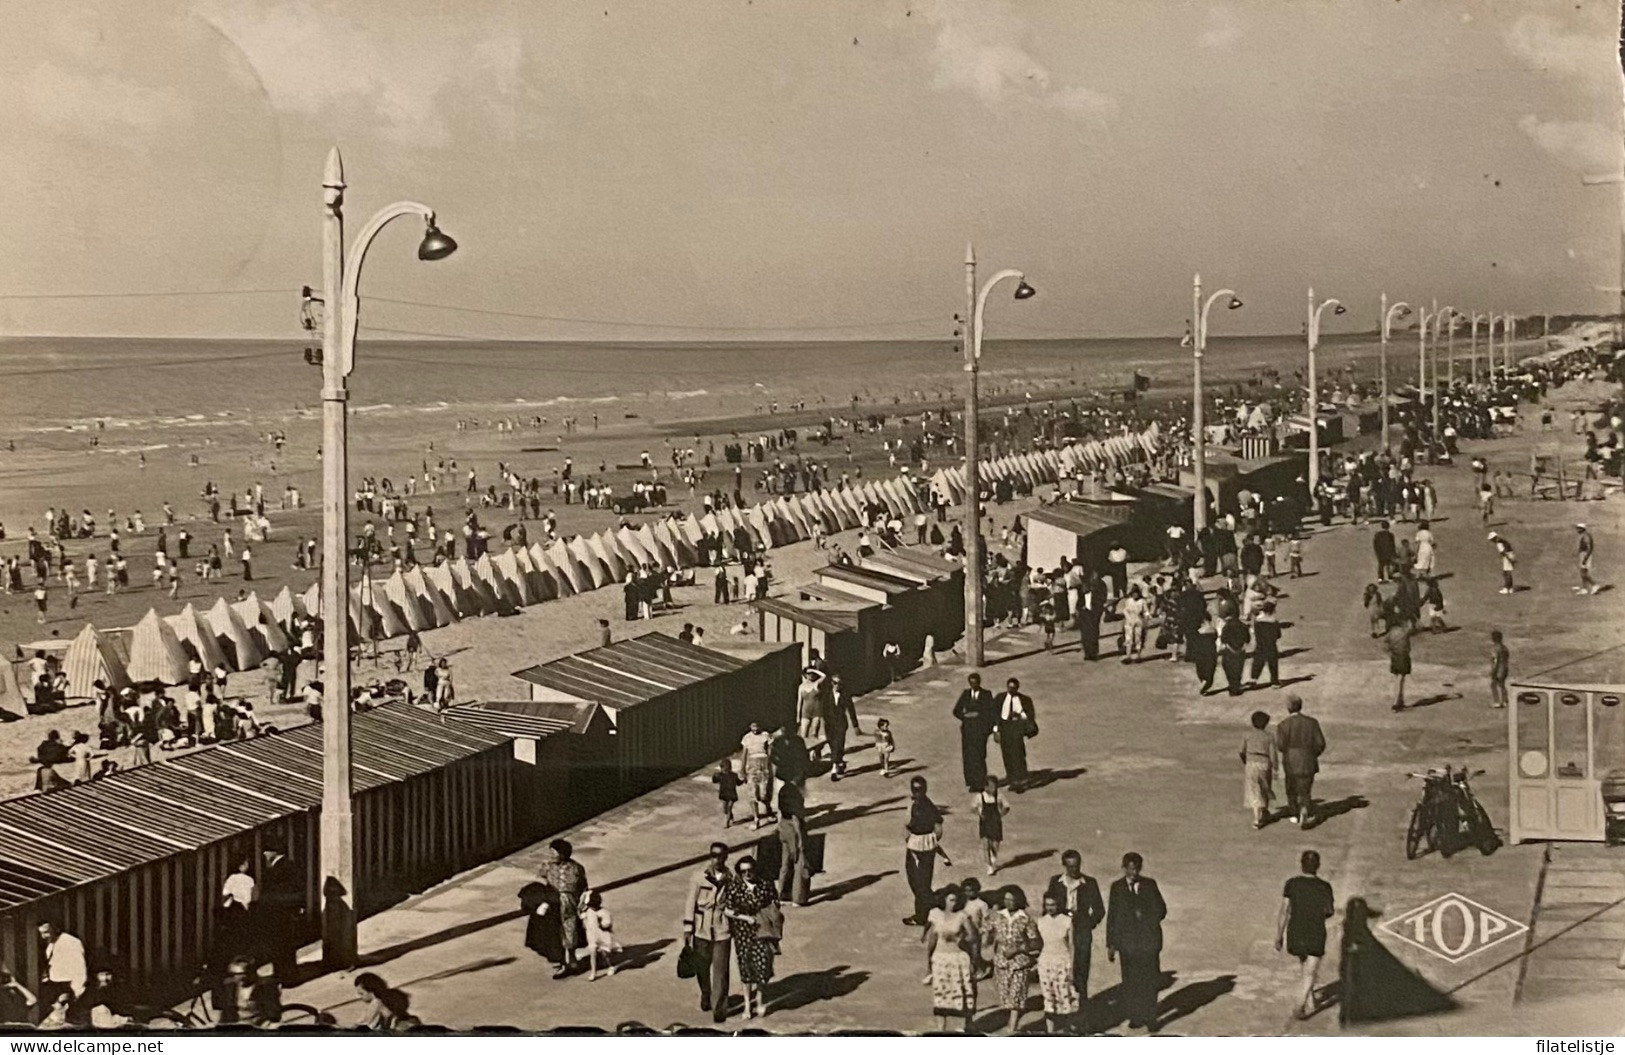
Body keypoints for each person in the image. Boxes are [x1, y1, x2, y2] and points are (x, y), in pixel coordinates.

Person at [1106, 852, 1166, 1033]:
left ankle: (1150, 1016)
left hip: (1148, 943)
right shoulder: (1116, 888)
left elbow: (1161, 910)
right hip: (1127, 945)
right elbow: (1112, 916)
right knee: (1130, 982)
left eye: (1137, 868)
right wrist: (1111, 944)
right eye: (1130, 869)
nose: (1133, 872)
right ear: (1124, 868)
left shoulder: (1149, 885)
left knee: (1149, 980)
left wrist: (1146, 917)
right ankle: (1135, 1015)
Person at [1045, 850, 1105, 1031]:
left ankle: (1081, 1018)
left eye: (1076, 865)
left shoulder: (1090, 883)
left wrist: (1087, 925)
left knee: (1080, 975)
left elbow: (1099, 910)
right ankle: (1061, 1016)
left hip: (1081, 934)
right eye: (1070, 866)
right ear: (1064, 866)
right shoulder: (1056, 882)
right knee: (1060, 974)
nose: (1074, 869)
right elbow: (1047, 906)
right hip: (1060, 934)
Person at [1277, 850, 1335, 1020]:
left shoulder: (1291, 884)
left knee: (1304, 966)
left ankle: (1311, 1001)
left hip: (1295, 931)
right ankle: (1299, 1006)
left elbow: (1284, 912)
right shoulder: (1325, 887)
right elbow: (1329, 911)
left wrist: (1279, 935)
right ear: (1318, 866)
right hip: (1315, 932)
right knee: (1310, 972)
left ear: (1301, 865)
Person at [720, 856, 779, 1020]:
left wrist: (769, 915)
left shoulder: (765, 885)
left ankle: (760, 1001)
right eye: (743, 871)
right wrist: (746, 918)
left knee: (762, 966)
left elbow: (775, 900)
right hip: (743, 933)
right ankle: (747, 1005)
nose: (747, 874)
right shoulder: (734, 888)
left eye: (750, 870)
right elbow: (727, 910)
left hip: (762, 930)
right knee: (746, 968)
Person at [681, 842, 734, 1023]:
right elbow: (690, 902)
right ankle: (706, 993)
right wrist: (688, 927)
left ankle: (719, 1010)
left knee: (721, 972)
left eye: (720, 855)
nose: (716, 859)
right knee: (702, 968)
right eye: (713, 855)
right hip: (701, 929)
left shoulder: (731, 878)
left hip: (722, 929)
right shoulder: (699, 877)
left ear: (725, 857)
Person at [981, 885, 1040, 1034]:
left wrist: (1019, 948)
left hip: (1020, 961)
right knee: (1005, 994)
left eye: (1012, 900)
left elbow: (1035, 941)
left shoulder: (1026, 919)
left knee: (1016, 995)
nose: (1009, 902)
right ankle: (1011, 1020)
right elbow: (984, 930)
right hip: (1001, 960)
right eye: (1006, 899)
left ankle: (1012, 1026)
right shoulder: (997, 916)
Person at [925, 885, 979, 1032]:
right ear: (944, 899)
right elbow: (931, 939)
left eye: (956, 900)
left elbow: (974, 936)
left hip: (958, 959)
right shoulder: (935, 914)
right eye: (950, 900)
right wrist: (929, 961)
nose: (953, 903)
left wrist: (961, 940)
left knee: (962, 991)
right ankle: (941, 1029)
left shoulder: (962, 915)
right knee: (941, 993)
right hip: (940, 958)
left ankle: (965, 1026)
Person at [903, 776, 951, 926]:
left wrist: (928, 840)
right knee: (916, 879)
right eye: (915, 790)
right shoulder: (913, 804)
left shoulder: (928, 806)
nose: (917, 793)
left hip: (923, 845)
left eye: (919, 790)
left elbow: (938, 828)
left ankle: (922, 914)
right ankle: (928, 904)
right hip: (915, 843)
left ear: (924, 790)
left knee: (920, 881)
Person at [1275, 695, 1326, 826]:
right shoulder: (1312, 722)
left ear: (1288, 708)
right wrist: (1312, 754)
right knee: (1305, 788)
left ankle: (1293, 812)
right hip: (1308, 760)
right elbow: (1320, 743)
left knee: (1291, 788)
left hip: (1291, 761)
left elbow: (1280, 746)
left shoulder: (1283, 725)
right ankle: (1304, 809)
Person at [541, 840, 588, 977]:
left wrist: (583, 905)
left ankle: (572, 959)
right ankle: (562, 962)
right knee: (555, 933)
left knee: (570, 930)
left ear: (562, 854)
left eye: (554, 852)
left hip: (570, 904)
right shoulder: (547, 866)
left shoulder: (576, 868)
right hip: (553, 903)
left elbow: (583, 887)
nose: (551, 855)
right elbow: (542, 882)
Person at [1035, 892, 1079, 1034]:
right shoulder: (1041, 921)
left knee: (1064, 995)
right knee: (1049, 996)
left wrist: (1071, 967)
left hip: (1063, 962)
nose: (1050, 908)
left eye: (1053, 905)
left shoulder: (1067, 921)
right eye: (1047, 905)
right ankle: (1050, 1032)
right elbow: (1038, 944)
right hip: (1045, 963)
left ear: (1059, 905)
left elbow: (1072, 945)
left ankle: (1067, 1030)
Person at [952, 673, 996, 793]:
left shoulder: (986, 694)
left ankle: (981, 781)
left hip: (980, 731)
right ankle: (971, 782)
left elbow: (991, 712)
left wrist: (987, 727)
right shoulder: (966, 694)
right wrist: (965, 716)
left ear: (979, 682)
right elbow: (956, 710)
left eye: (975, 682)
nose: (973, 685)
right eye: (971, 683)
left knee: (980, 756)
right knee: (968, 756)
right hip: (968, 730)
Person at [994, 677, 1036, 792]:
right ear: (1007, 687)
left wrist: (1019, 716)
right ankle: (1012, 778)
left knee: (1018, 754)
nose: (1011, 690)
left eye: (1014, 688)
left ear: (1017, 688)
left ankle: (1021, 779)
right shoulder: (1000, 698)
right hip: (1005, 728)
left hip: (1017, 728)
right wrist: (996, 730)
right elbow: (994, 715)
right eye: (1010, 687)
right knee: (1007, 754)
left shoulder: (1025, 700)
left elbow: (1030, 716)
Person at [37, 921, 86, 1017]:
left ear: (56, 928)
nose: (43, 936)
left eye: (46, 932)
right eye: (41, 933)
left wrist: (76, 992)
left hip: (67, 987)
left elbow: (80, 969)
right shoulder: (51, 943)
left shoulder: (71, 942)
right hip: (54, 986)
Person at [1241, 710, 1278, 830]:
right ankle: (1264, 811)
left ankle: (1257, 818)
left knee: (1253, 790)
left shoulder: (1247, 735)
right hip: (1264, 763)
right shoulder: (1269, 736)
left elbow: (1241, 751)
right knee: (1265, 787)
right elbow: (1273, 754)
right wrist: (1275, 768)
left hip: (1251, 763)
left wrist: (1246, 761)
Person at [775, 783, 810, 907]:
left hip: (783, 827)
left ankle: (782, 894)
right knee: (798, 863)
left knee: (785, 864)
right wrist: (800, 840)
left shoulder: (783, 791)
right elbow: (796, 821)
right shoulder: (794, 794)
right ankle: (798, 897)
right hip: (793, 831)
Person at [738, 721, 775, 829]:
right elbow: (744, 755)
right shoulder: (747, 738)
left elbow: (770, 752)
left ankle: (768, 809)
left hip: (764, 767)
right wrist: (742, 770)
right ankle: (756, 818)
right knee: (752, 794)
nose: (755, 728)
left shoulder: (765, 735)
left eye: (757, 726)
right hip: (752, 768)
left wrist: (770, 767)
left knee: (764, 794)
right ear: (750, 726)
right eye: (753, 726)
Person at [825, 674, 861, 780]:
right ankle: (839, 762)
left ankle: (834, 768)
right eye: (835, 683)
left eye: (839, 683)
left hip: (841, 723)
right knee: (832, 745)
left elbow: (851, 710)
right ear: (831, 683)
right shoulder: (826, 694)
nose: (837, 685)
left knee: (839, 744)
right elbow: (823, 709)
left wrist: (855, 726)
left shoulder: (845, 695)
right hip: (829, 724)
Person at [973, 776, 1009, 876]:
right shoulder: (979, 797)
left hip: (996, 822)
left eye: (995, 787)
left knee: (995, 843)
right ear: (985, 787)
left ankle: (993, 855)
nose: (994, 789)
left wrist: (1001, 814)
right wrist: (979, 813)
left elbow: (1006, 807)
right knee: (986, 844)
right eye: (991, 787)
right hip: (984, 822)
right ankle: (989, 866)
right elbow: (973, 808)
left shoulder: (999, 796)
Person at [583, 891, 622, 980]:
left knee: (605, 954)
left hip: (602, 937)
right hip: (592, 936)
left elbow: (607, 924)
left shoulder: (604, 913)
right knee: (593, 953)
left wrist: (602, 924)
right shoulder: (589, 911)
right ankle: (593, 972)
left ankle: (611, 966)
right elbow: (584, 918)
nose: (591, 907)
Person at [1248, 600, 1283, 688]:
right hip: (1271, 645)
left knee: (1258, 662)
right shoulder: (1274, 622)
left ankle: (1253, 679)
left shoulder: (1258, 622)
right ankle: (1274, 681)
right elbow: (1278, 635)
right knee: (1273, 664)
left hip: (1260, 645)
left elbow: (1256, 633)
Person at [1386, 611, 1412, 711]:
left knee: (1398, 678)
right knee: (1400, 679)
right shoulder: (1404, 632)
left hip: (1395, 657)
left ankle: (1400, 700)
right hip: (1403, 657)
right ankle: (1396, 702)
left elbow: (1386, 645)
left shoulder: (1391, 632)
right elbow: (1417, 627)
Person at [1219, 612, 1250, 697]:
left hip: (1229, 651)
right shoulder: (1244, 626)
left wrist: (1230, 648)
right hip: (1240, 651)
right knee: (1238, 670)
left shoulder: (1226, 627)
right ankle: (1236, 685)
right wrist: (1241, 649)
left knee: (1229, 669)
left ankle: (1232, 686)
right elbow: (1247, 640)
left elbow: (1223, 640)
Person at [713, 759, 741, 827]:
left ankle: (727, 823)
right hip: (724, 794)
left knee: (729, 808)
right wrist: (714, 776)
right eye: (722, 768)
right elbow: (714, 781)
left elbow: (738, 783)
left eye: (724, 768)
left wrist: (743, 780)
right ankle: (731, 816)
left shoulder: (734, 775)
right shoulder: (720, 775)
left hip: (732, 794)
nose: (723, 770)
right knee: (725, 809)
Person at [1489, 629, 1511, 709]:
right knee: (1502, 685)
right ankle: (1505, 700)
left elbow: (1495, 661)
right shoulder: (1504, 648)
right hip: (1505, 668)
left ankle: (1497, 701)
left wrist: (1493, 671)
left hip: (1498, 670)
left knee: (1493, 685)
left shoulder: (1495, 648)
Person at [1576, 523, 1599, 594]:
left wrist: (1585, 559)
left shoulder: (1586, 537)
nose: (1577, 530)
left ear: (1582, 529)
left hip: (1585, 555)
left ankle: (1594, 584)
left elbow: (1589, 548)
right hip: (1583, 555)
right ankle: (1584, 589)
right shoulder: (1584, 535)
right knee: (1582, 572)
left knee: (1584, 573)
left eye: (1578, 528)